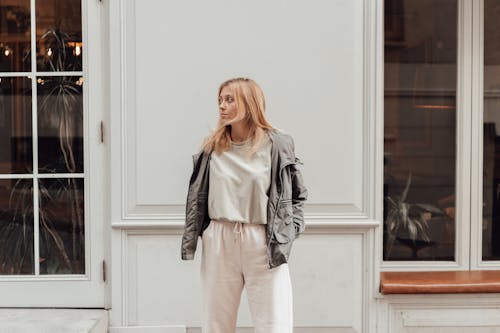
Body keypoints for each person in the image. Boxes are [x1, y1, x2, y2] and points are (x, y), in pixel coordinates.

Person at [181, 77, 308, 333]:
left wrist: (289, 230)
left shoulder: (277, 145)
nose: (222, 106)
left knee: (274, 322)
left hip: (263, 237)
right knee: (216, 322)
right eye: (220, 100)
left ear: (249, 104)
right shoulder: (212, 147)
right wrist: (205, 233)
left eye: (229, 99)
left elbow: (297, 194)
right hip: (220, 236)